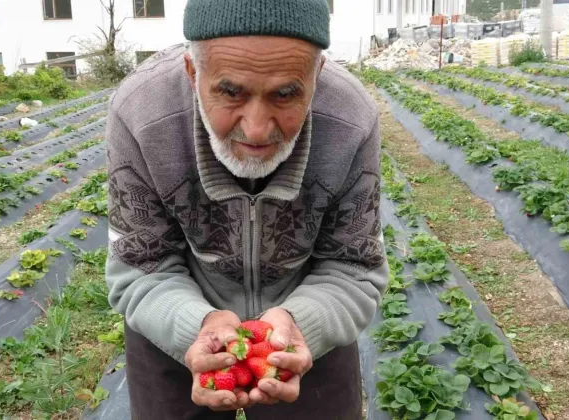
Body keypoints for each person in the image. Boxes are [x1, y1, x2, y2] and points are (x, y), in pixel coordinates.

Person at [105, 0, 388, 418]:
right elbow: (142, 264)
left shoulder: (350, 118)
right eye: (230, 91)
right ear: (192, 72)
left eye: (286, 94)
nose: (256, 127)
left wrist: (302, 324)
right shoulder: (141, 113)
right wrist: (194, 327)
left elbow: (353, 264)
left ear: (318, 76)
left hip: (304, 320)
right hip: (175, 315)